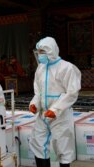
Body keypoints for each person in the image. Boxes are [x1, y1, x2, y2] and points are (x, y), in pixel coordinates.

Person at [28, 37, 81, 167]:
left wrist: (56, 109)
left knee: (62, 144)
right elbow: (38, 92)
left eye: (42, 51)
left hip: (60, 115)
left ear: (51, 51)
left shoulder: (67, 68)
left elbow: (72, 92)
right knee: (38, 143)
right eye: (38, 51)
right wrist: (34, 104)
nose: (39, 55)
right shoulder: (40, 68)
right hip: (42, 114)